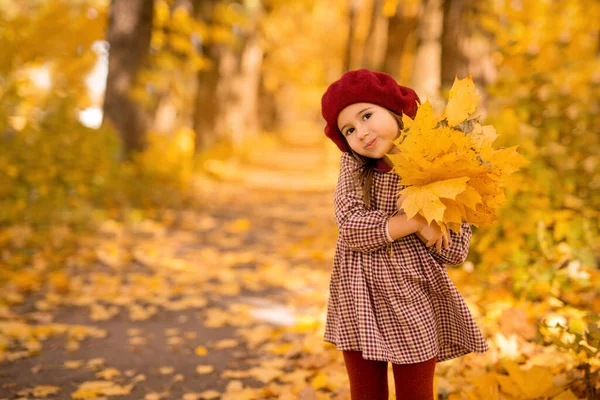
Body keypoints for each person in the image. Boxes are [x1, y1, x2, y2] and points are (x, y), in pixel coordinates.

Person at [321, 69, 490, 400]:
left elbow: (454, 252)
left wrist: (434, 217)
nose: (362, 132)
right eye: (350, 130)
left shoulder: (440, 165)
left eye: (367, 115)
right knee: (366, 393)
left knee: (416, 393)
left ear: (396, 111)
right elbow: (352, 227)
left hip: (413, 298)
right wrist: (415, 221)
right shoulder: (353, 167)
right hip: (359, 297)